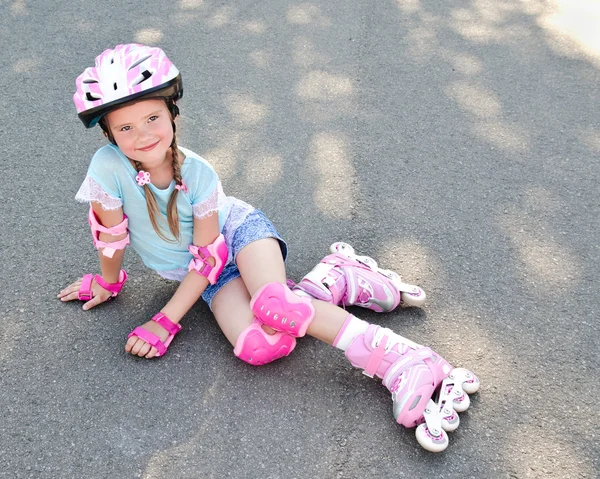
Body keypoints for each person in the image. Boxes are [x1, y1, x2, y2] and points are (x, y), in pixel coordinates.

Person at [57, 44, 479, 452]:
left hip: (239, 239)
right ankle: (333, 279)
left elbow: (210, 256)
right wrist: (109, 284)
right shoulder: (106, 169)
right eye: (126, 127)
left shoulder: (199, 174)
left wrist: (165, 320)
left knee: (278, 306)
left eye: (152, 117)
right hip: (208, 278)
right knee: (260, 346)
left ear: (172, 112)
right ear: (108, 133)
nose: (143, 134)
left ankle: (404, 360)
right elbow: (110, 237)